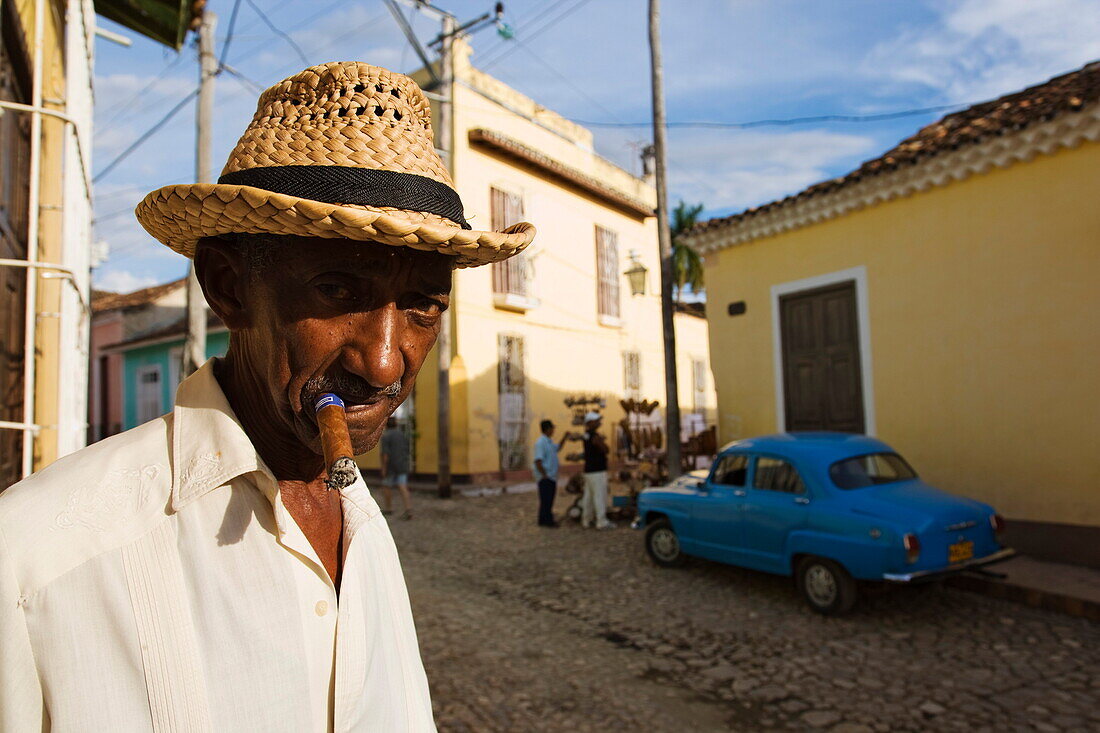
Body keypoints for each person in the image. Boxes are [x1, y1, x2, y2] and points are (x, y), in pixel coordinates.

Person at [0, 62, 535, 731]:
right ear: (227, 286)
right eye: (337, 291)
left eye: (423, 306)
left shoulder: (365, 529)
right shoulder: (33, 562)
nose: (384, 359)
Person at [580, 411, 614, 529]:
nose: (599, 422)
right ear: (590, 422)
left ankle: (586, 519)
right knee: (600, 495)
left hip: (589, 470)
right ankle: (601, 521)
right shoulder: (594, 436)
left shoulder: (586, 435)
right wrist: (603, 442)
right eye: (596, 420)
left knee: (588, 497)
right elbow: (605, 449)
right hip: (597, 470)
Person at [532, 419, 567, 527]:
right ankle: (548, 521)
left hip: (551, 475)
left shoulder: (549, 442)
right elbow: (538, 460)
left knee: (547, 499)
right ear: (548, 429)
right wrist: (544, 475)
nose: (553, 430)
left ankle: (542, 519)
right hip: (546, 476)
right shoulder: (541, 443)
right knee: (547, 499)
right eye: (552, 428)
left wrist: (565, 438)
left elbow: (558, 448)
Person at [380, 417, 413, 519]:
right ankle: (408, 508)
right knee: (403, 486)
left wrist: (384, 468)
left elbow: (385, 454)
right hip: (402, 463)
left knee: (386, 486)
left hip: (391, 465)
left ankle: (389, 508)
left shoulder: (386, 437)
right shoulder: (402, 435)